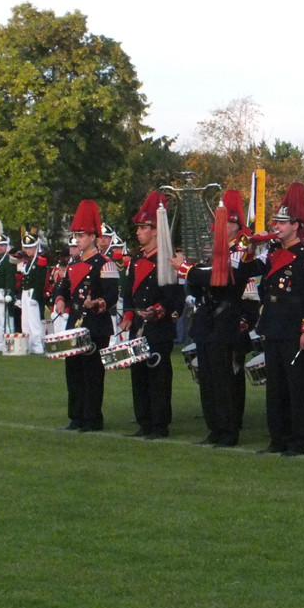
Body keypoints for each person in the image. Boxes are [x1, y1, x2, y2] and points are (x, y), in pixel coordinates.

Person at [177, 189, 257, 448]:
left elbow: (218, 278)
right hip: (207, 318)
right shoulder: (213, 254)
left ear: (235, 226)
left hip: (226, 318)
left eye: (227, 224)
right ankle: (214, 428)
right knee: (208, 379)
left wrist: (186, 269)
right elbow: (199, 282)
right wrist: (191, 278)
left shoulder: (239, 252)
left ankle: (228, 429)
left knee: (224, 379)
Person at [250, 183, 304, 455]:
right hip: (274, 326)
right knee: (276, 388)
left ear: (296, 225)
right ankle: (278, 438)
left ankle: (299, 439)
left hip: (295, 327)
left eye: (282, 223)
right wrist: (250, 247)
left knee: (298, 387)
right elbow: (247, 271)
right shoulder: (272, 254)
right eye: (276, 222)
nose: (277, 227)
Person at [120, 192, 184, 439]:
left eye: (143, 228)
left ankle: (159, 424)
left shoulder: (167, 259)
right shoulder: (136, 259)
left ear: (156, 230)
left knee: (158, 376)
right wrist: (128, 315)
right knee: (138, 375)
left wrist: (158, 310)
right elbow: (128, 292)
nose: (138, 232)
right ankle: (144, 421)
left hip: (158, 327)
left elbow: (175, 297)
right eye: (138, 228)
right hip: (138, 325)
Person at [52, 200, 119, 432]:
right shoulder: (73, 264)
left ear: (92, 237)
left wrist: (97, 303)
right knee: (73, 372)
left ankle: (92, 418)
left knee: (92, 374)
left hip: (96, 326)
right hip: (75, 324)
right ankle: (76, 417)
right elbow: (62, 288)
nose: (77, 240)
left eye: (81, 235)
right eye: (76, 235)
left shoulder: (105, 264)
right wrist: (60, 300)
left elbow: (111, 296)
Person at [18, 231, 48, 355]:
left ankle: (38, 345)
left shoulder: (40, 260)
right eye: (26, 248)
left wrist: (35, 296)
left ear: (36, 247)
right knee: (25, 320)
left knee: (34, 321)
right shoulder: (29, 262)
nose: (28, 250)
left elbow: (40, 281)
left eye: (30, 247)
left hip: (33, 292)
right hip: (25, 292)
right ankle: (28, 344)